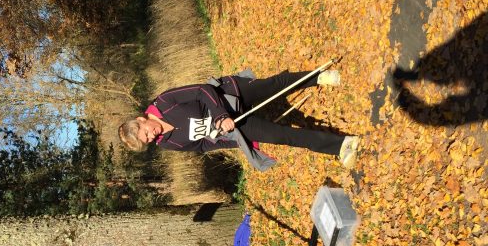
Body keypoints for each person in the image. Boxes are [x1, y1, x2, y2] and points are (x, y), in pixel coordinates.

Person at [118, 69, 360, 170]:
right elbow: (202, 145)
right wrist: (238, 141)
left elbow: (202, 90)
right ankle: (341, 145)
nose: (152, 136)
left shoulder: (164, 101)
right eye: (148, 140)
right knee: (282, 136)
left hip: (230, 94)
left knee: (274, 86)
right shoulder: (167, 142)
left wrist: (220, 115)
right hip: (233, 126)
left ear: (141, 119)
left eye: (146, 132)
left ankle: (317, 77)